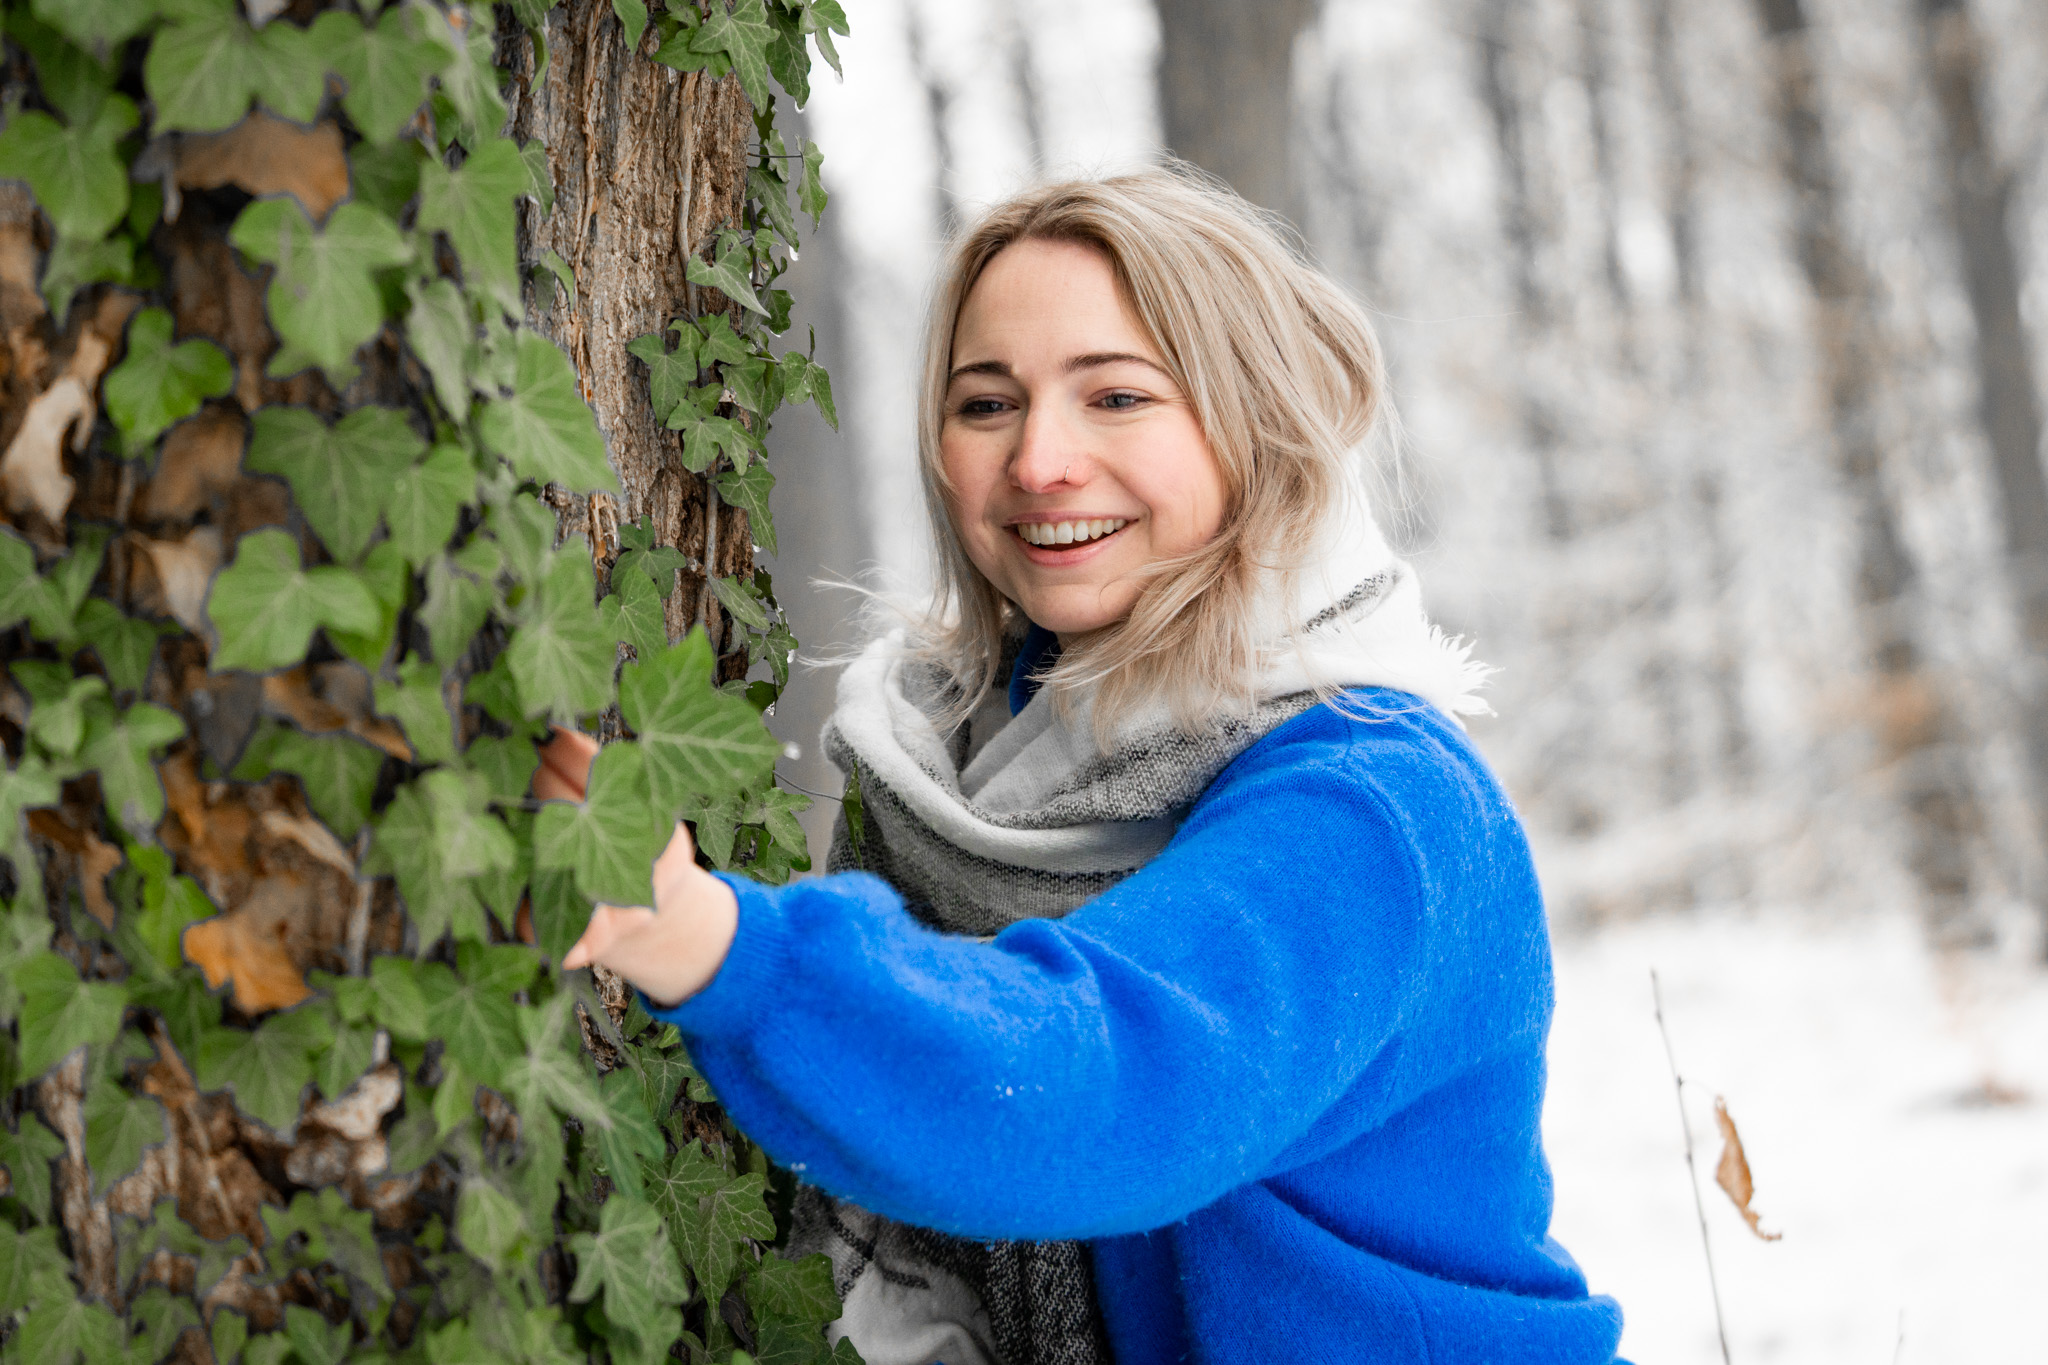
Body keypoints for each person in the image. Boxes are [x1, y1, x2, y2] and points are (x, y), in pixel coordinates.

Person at [540, 168, 1627, 1365]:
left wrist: (706, 941)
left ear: (1251, 420)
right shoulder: (948, 772)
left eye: (1116, 396)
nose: (1040, 461)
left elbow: (1094, 1086)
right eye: (985, 404)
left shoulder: (1375, 804)